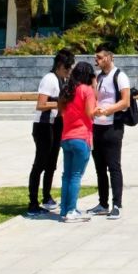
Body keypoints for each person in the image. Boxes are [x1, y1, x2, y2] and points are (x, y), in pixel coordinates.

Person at [27, 49, 74, 217]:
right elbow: (40, 105)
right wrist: (60, 105)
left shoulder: (61, 79)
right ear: (60, 65)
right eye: (67, 68)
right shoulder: (49, 79)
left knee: (52, 164)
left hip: (55, 125)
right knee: (40, 164)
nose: (69, 71)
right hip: (43, 126)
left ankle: (46, 197)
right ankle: (32, 203)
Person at [90, 45, 130, 219]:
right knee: (99, 167)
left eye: (99, 57)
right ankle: (102, 202)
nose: (96, 61)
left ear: (108, 57)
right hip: (96, 126)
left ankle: (117, 204)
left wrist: (108, 111)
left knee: (113, 166)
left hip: (113, 127)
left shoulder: (120, 76)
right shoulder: (98, 77)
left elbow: (126, 102)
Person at [57, 60, 97, 223]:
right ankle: (71, 211)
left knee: (66, 175)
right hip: (81, 137)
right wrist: (99, 109)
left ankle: (64, 209)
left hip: (66, 137)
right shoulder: (86, 90)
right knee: (75, 176)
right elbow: (90, 113)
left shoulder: (67, 90)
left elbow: (60, 112)